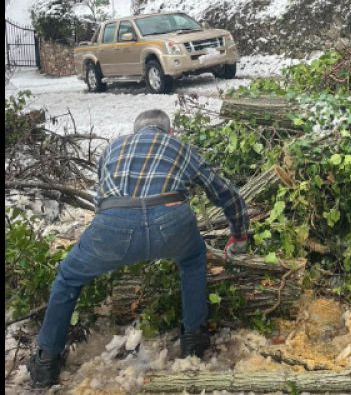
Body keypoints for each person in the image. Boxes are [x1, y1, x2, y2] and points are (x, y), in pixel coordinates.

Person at [28, 109, 250, 388]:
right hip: (171, 223)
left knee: (69, 277)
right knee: (193, 259)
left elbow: (103, 197)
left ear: (135, 133)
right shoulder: (178, 145)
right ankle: (193, 340)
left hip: (114, 225)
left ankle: (46, 363)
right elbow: (223, 191)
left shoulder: (113, 147)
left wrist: (120, 238)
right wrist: (239, 233)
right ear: (169, 132)